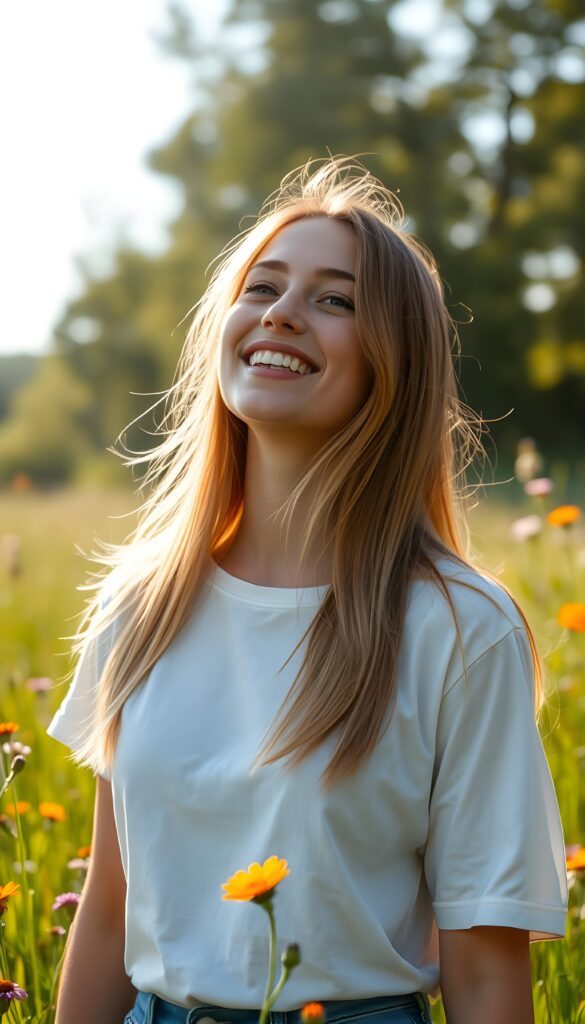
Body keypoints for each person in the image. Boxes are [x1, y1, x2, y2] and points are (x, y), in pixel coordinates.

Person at [47, 156, 567, 1024]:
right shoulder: (138, 607)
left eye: (334, 300)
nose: (281, 312)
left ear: (392, 363)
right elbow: (107, 913)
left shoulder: (457, 629)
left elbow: (482, 974)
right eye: (263, 287)